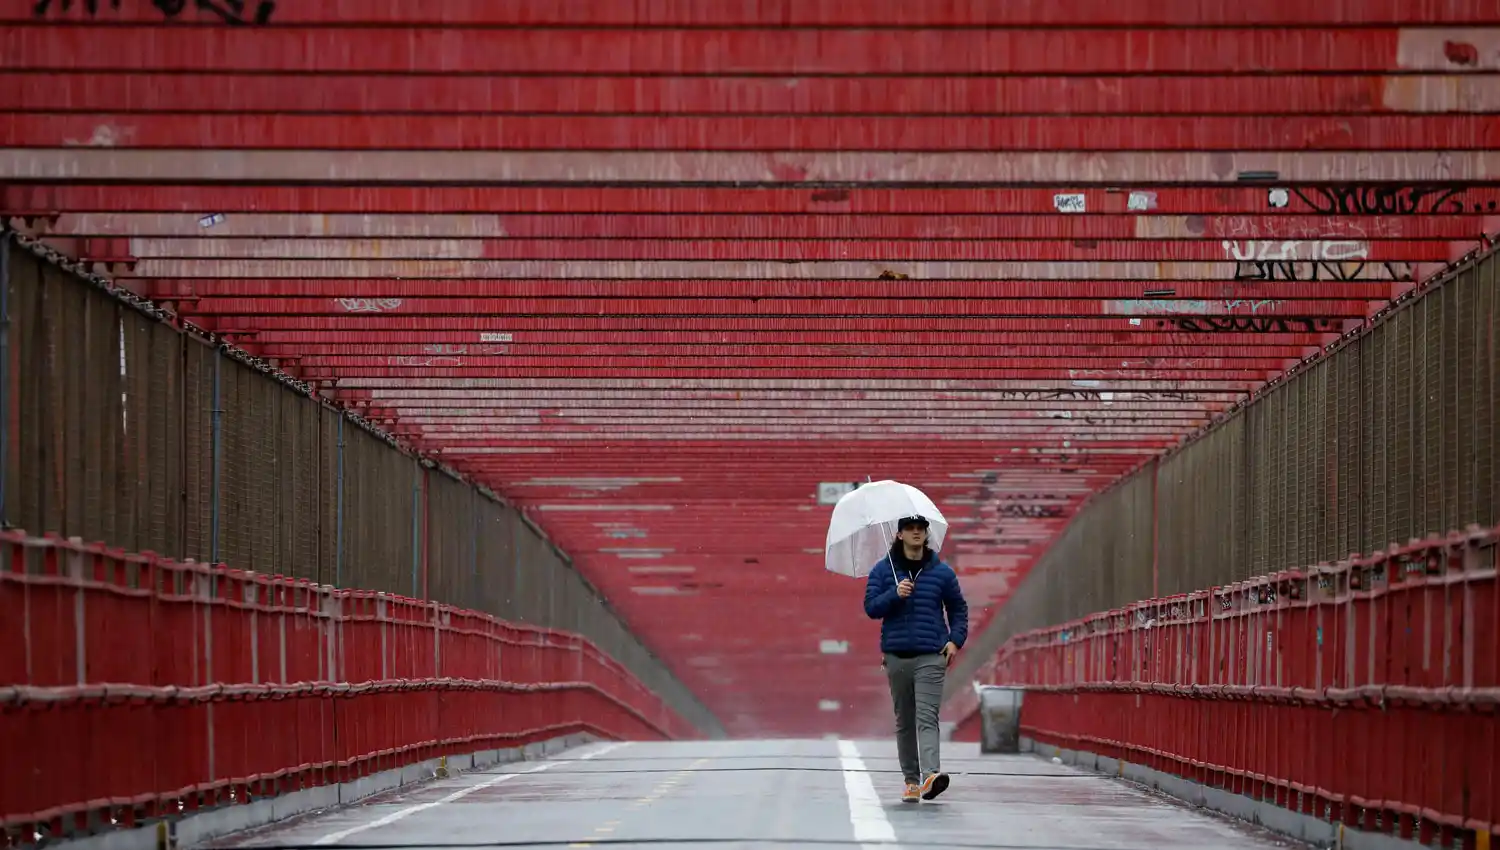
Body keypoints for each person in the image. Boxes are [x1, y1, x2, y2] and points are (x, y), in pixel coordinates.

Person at [862, 514, 969, 803]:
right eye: (910, 529)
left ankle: (931, 776)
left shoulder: (942, 573)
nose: (916, 533)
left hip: (931, 656)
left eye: (921, 529)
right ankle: (911, 780)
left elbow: (958, 609)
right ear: (899, 535)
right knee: (905, 720)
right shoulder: (884, 572)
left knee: (926, 716)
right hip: (896, 656)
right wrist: (894, 594)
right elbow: (871, 608)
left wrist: (955, 641)